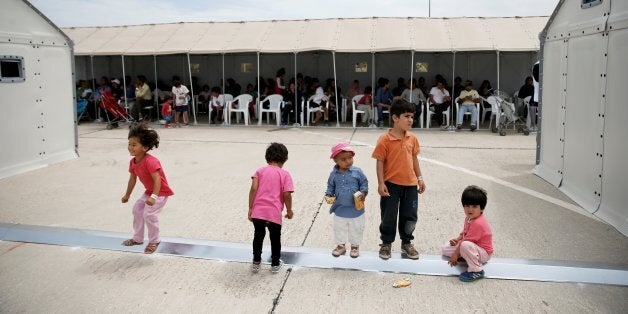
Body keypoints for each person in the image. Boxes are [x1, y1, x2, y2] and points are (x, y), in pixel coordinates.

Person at [372, 99, 426, 260]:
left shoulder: (412, 138)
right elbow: (380, 161)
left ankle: (407, 243)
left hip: (410, 185)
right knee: (389, 215)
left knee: (410, 216)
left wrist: (420, 178)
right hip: (391, 185)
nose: (411, 120)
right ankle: (386, 243)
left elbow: (414, 159)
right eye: (407, 116)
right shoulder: (384, 139)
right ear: (395, 118)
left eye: (412, 116)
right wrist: (381, 183)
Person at [121, 123, 174, 255]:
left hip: (160, 193)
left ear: (144, 147)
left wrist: (154, 197)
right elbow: (132, 179)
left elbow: (157, 180)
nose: (130, 147)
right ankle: (138, 239)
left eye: (134, 145)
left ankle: (154, 241)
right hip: (149, 192)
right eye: (129, 144)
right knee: (137, 210)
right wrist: (127, 195)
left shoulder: (151, 161)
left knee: (149, 214)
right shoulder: (133, 162)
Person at [248, 143, 294, 274]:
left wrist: (251, 208)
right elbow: (287, 194)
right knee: (275, 239)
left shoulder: (259, 171)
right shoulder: (285, 174)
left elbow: (253, 189)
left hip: (258, 212)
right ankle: (275, 264)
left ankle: (256, 262)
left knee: (258, 236)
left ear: (267, 158)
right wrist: (289, 210)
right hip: (273, 213)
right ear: (284, 159)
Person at [325, 142, 368, 258]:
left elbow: (364, 183)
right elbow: (330, 186)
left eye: (350, 158)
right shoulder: (333, 174)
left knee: (356, 228)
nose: (348, 161)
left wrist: (363, 193)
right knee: (339, 228)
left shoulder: (357, 172)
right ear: (336, 161)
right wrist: (329, 195)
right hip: (340, 208)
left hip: (356, 208)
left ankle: (355, 246)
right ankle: (341, 246)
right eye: (344, 159)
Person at [442, 185, 493, 282]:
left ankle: (476, 270)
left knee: (465, 245)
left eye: (474, 206)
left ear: (481, 208)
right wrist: (457, 239)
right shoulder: (469, 218)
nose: (470, 209)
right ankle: (468, 256)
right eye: (467, 206)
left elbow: (466, 241)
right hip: (471, 246)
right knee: (445, 248)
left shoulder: (479, 223)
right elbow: (464, 233)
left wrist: (456, 254)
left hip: (484, 253)